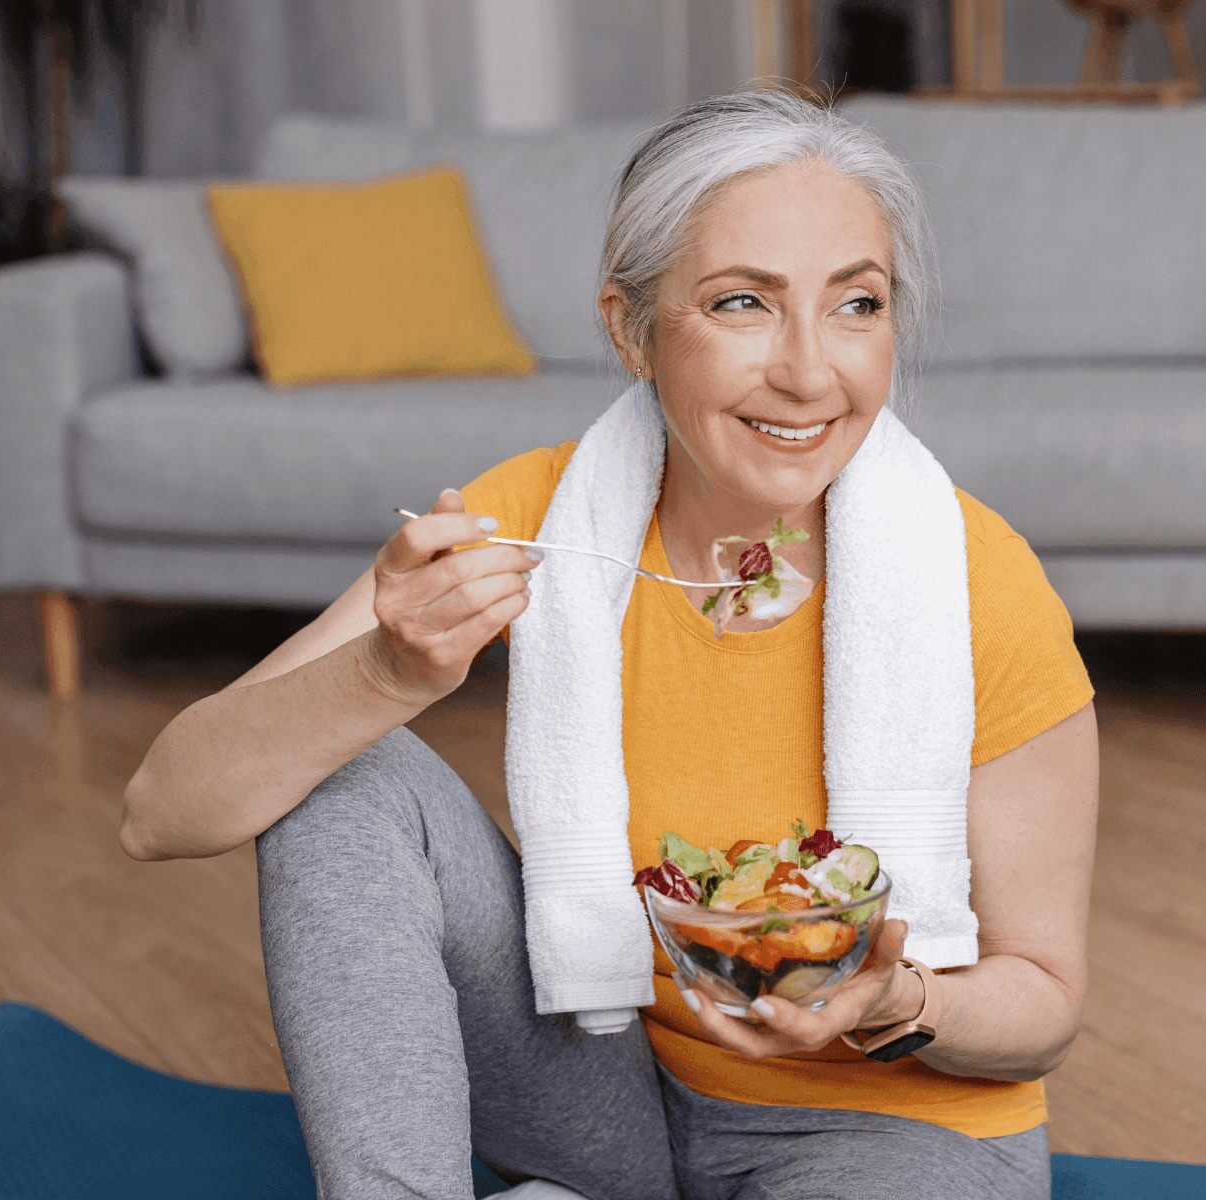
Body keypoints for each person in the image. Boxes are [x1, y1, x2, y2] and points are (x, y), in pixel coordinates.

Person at [121, 90, 1097, 1200]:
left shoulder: (977, 579)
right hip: (610, 1094)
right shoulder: (536, 516)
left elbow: (1043, 1007)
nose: (808, 371)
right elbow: (160, 811)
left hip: (892, 1135)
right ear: (629, 328)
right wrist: (380, 675)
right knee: (348, 770)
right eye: (742, 303)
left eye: (855, 305)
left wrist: (894, 1001)